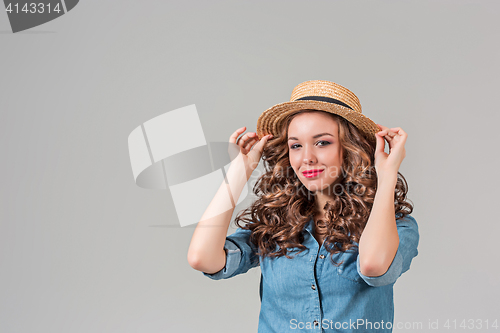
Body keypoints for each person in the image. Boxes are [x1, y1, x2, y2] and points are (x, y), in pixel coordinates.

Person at [187, 80, 419, 333]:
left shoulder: (398, 226)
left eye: (322, 142)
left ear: (350, 148)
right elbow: (202, 258)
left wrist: (386, 175)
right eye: (296, 145)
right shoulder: (275, 223)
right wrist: (238, 172)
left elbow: (374, 267)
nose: (306, 157)